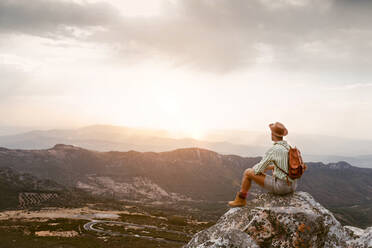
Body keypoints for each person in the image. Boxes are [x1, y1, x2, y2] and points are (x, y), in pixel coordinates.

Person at [228, 122, 297, 207]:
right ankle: (240, 200)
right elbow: (285, 166)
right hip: (293, 186)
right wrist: (270, 167)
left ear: (272, 134)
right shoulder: (288, 147)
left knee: (247, 172)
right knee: (252, 171)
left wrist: (254, 170)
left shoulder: (274, 149)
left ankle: (240, 200)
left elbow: (257, 169)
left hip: (281, 188)